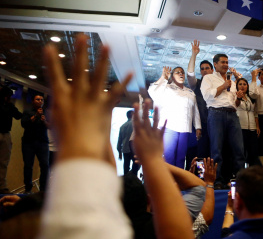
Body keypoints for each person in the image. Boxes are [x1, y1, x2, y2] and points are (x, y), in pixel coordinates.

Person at [39, 34, 194, 238]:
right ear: (149, 202)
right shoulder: (166, 231)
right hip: (142, 147)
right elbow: (185, 220)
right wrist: (154, 162)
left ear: (111, 204)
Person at [200, 54, 245, 188]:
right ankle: (217, 180)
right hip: (216, 114)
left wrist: (238, 98)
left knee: (238, 149)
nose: (226, 64)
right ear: (215, 64)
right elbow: (207, 96)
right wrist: (223, 86)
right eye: (222, 62)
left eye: (227, 62)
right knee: (216, 149)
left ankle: (240, 180)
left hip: (232, 114)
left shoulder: (233, 82)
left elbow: (235, 104)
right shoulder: (209, 78)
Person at [148, 66, 201, 168]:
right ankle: (168, 181)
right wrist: (163, 78)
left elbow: (195, 111)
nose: (181, 74)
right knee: (168, 157)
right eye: (177, 72)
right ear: (172, 76)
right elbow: (152, 92)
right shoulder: (166, 87)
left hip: (185, 129)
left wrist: (198, 127)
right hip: (169, 127)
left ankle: (179, 181)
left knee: (181, 158)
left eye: (182, 72)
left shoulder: (190, 92)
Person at [187, 40, 213, 160]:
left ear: (212, 70)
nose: (204, 70)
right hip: (200, 124)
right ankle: (201, 178)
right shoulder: (197, 84)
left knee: (215, 153)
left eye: (207, 68)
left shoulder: (218, 85)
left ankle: (215, 177)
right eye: (202, 69)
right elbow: (190, 73)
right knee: (201, 154)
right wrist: (194, 55)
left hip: (215, 123)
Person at [21, 94, 49, 193]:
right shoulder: (27, 111)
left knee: (45, 165)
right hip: (28, 142)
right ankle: (28, 189)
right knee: (28, 165)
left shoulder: (47, 113)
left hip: (43, 142)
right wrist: (36, 115)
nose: (40, 101)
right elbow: (24, 124)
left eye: (42, 100)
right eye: (37, 99)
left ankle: (43, 190)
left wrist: (44, 120)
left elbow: (50, 126)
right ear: (33, 101)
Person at [0, 86, 22, 194]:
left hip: (6, 134)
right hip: (2, 133)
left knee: (4, 162)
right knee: (3, 162)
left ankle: (2, 186)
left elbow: (18, 116)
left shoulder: (10, 106)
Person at [235, 78, 261, 167]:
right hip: (241, 127)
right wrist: (238, 98)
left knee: (253, 152)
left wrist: (257, 126)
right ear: (237, 86)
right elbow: (236, 104)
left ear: (247, 86)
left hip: (252, 128)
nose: (242, 86)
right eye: (240, 84)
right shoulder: (234, 95)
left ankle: (253, 173)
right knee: (241, 152)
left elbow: (255, 113)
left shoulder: (250, 98)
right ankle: (240, 173)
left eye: (244, 84)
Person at [117, 110, 139, 175]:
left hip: (125, 150)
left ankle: (126, 182)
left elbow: (119, 140)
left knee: (126, 166)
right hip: (134, 150)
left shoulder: (122, 126)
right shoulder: (136, 125)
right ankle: (134, 179)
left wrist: (119, 152)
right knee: (136, 166)